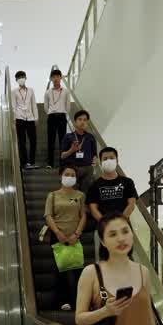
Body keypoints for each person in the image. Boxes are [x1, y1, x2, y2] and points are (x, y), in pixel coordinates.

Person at [44, 166, 87, 310]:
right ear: (60, 176)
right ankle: (62, 301)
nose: (70, 177)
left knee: (77, 270)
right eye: (67, 174)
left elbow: (83, 216)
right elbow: (48, 215)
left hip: (75, 237)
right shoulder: (53, 195)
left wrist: (77, 234)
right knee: (60, 270)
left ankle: (79, 302)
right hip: (58, 238)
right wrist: (57, 232)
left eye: (73, 175)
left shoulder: (80, 195)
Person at [60, 110, 98, 185]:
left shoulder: (90, 137)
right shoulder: (68, 136)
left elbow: (94, 154)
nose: (82, 122)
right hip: (72, 169)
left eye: (85, 120)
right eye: (80, 119)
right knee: (71, 193)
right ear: (75, 122)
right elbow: (62, 156)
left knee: (86, 192)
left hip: (87, 168)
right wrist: (72, 150)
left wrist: (95, 160)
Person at [44, 68, 70, 167]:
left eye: (57, 76)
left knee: (63, 140)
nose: (55, 79)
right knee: (50, 140)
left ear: (61, 78)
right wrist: (52, 112)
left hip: (62, 117)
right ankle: (50, 163)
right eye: (53, 77)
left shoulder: (66, 92)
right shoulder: (47, 92)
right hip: (51, 117)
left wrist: (62, 112)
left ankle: (62, 163)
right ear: (51, 79)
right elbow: (46, 107)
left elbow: (68, 106)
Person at [12, 71, 38, 168]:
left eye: (22, 76)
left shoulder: (31, 90)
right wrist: (14, 119)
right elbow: (13, 106)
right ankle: (24, 162)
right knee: (22, 141)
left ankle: (32, 162)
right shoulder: (14, 91)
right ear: (16, 80)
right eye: (19, 77)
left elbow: (34, 104)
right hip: (19, 118)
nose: (21, 79)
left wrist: (36, 118)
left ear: (26, 77)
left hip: (30, 118)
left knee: (33, 140)